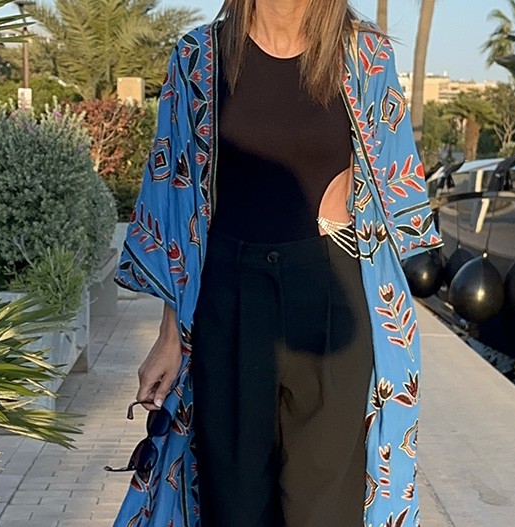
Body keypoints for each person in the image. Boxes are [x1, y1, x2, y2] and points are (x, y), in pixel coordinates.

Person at [110, 0, 444, 526]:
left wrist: (355, 190)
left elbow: (395, 182)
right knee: (234, 507)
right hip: (229, 299)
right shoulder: (198, 57)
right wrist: (171, 334)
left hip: (331, 293)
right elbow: (174, 196)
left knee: (326, 512)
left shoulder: (364, 55)